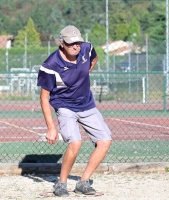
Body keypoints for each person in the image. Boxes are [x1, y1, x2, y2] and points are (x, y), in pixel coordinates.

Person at [37, 25, 112, 197]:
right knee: (76, 142)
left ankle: (83, 183)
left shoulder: (87, 49)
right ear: (61, 43)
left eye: (78, 42)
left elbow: (94, 58)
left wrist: (83, 74)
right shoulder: (51, 65)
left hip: (87, 104)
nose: (76, 46)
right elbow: (44, 97)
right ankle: (61, 184)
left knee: (105, 140)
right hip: (65, 107)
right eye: (71, 43)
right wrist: (51, 127)